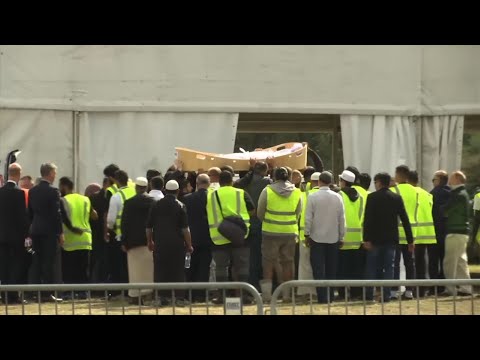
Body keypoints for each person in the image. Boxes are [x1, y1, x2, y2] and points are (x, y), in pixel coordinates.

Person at [363, 172, 414, 303]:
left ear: (379, 182)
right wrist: (410, 240)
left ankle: (369, 295)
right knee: (389, 267)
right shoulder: (396, 198)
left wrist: (366, 238)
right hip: (391, 239)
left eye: (375, 182)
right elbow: (405, 219)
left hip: (374, 239)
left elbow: (367, 220)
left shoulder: (372, 197)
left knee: (372, 267)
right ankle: (386, 295)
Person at [207, 171, 254, 303]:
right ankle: (243, 295)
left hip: (219, 236)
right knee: (242, 266)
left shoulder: (211, 194)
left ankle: (221, 296)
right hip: (240, 235)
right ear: (232, 180)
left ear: (219, 181)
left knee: (221, 267)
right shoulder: (240, 193)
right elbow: (252, 209)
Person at [257, 167, 302, 302]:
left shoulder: (267, 190)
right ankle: (287, 295)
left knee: (268, 263)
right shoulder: (297, 192)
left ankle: (267, 295)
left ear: (274, 177)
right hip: (289, 231)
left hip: (270, 231)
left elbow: (260, 212)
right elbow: (298, 213)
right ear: (288, 176)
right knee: (288, 262)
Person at [147, 180, 193, 306]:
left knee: (160, 270)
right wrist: (189, 245)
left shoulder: (155, 204)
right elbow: (185, 229)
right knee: (178, 270)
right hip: (177, 244)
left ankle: (161, 297)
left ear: (165, 190)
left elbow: (148, 227)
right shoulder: (181, 205)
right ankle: (179, 298)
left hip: (160, 243)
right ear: (177, 191)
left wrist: (150, 241)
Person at [304, 171, 344, 304]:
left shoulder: (312, 196)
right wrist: (341, 235)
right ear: (331, 182)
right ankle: (331, 296)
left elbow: (308, 218)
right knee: (332, 268)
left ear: (319, 181)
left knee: (318, 269)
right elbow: (342, 218)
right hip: (333, 237)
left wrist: (306, 234)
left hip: (316, 237)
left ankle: (322, 297)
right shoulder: (338, 197)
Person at [28, 163, 64, 302]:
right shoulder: (53, 191)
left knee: (36, 261)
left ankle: (34, 292)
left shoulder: (33, 191)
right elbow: (57, 214)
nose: (55, 175)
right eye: (54, 172)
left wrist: (32, 227)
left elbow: (30, 212)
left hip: (36, 230)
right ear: (49, 173)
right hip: (49, 232)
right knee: (48, 262)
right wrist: (60, 233)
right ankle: (47, 294)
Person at [234, 161, 272, 291]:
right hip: (262, 223)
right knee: (262, 256)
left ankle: (250, 284)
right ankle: (261, 285)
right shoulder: (267, 182)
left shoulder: (243, 183)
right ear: (265, 170)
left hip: (246, 223)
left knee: (249, 257)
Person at [59, 176, 97, 299]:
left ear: (64, 186)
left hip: (70, 240)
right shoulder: (85, 199)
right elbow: (94, 216)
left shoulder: (63, 200)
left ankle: (69, 292)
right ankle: (83, 292)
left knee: (69, 268)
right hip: (85, 239)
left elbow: (63, 219)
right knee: (83, 268)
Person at [121, 177, 155, 304]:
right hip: (149, 241)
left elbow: (124, 224)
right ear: (146, 188)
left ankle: (135, 296)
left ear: (136, 188)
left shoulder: (129, 203)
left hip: (133, 242)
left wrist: (124, 241)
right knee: (149, 271)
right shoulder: (153, 202)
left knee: (135, 271)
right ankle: (148, 295)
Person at [0, 163, 29, 304]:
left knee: (4, 265)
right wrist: (26, 235)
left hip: (2, 236)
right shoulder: (19, 192)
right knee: (16, 266)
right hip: (15, 237)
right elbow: (22, 217)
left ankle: (4, 294)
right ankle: (13, 295)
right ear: (18, 174)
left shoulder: (0, 191)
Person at [441, 171, 472, 296]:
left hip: (455, 231)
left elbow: (445, 210)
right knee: (460, 261)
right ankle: (466, 288)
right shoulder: (464, 194)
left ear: (458, 179)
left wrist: (442, 210)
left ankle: (450, 289)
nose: (449, 180)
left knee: (450, 262)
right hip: (463, 232)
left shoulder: (457, 194)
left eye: (452, 177)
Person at [182, 174, 212, 302]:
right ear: (209, 184)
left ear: (197, 183)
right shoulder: (212, 198)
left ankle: (189, 294)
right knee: (204, 267)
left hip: (191, 238)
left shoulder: (187, 199)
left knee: (189, 266)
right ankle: (201, 295)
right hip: (208, 238)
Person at [407, 170, 438, 297]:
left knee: (415, 263)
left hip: (416, 233)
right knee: (424, 262)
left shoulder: (410, 193)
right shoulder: (427, 194)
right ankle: (424, 290)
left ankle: (416, 290)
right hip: (429, 233)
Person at [390, 165, 418, 300]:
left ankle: (394, 291)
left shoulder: (394, 190)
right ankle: (409, 291)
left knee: (394, 263)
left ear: (399, 175)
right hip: (411, 232)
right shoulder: (416, 191)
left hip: (396, 232)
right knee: (410, 263)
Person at [337, 170, 366, 300]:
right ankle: (356, 293)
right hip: (357, 237)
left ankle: (343, 294)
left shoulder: (339, 195)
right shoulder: (360, 196)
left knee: (342, 268)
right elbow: (362, 215)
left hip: (343, 237)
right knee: (356, 268)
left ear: (343, 181)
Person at [106, 170, 135, 292]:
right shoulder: (135, 192)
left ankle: (122, 290)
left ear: (116, 181)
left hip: (120, 236)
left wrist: (109, 229)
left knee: (121, 266)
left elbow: (111, 220)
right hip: (136, 235)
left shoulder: (116, 196)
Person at [297, 172, 320, 298]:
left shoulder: (304, 195)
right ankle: (317, 290)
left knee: (305, 264)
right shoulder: (327, 195)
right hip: (321, 236)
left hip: (304, 235)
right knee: (318, 264)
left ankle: (304, 291)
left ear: (311, 182)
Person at [88, 178, 110, 287]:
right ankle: (97, 283)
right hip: (98, 233)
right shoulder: (96, 197)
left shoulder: (95, 197)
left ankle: (99, 283)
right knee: (98, 260)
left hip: (100, 233)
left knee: (102, 260)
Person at [431, 170, 450, 284]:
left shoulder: (433, 194)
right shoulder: (452, 193)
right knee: (445, 259)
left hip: (435, 231)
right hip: (447, 231)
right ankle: (444, 283)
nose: (433, 182)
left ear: (438, 181)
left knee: (433, 260)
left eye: (433, 180)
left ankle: (434, 285)